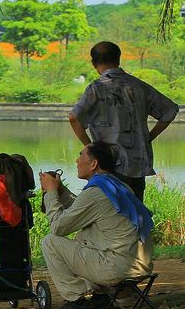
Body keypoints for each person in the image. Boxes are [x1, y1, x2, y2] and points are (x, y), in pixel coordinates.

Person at [39, 141, 154, 309]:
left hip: (117, 269)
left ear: (94, 164)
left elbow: (59, 227)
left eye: (81, 156)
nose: (77, 161)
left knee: (50, 241)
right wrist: (61, 191)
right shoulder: (117, 186)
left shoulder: (96, 192)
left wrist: (51, 193)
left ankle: (76, 301)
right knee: (87, 234)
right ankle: (101, 300)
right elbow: (84, 210)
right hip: (139, 266)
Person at [68, 41, 179, 201]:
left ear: (94, 63)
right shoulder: (139, 86)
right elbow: (170, 110)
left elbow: (74, 117)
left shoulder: (97, 88)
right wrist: (148, 137)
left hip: (109, 164)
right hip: (137, 165)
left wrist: (90, 146)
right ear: (118, 60)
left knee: (111, 216)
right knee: (134, 214)